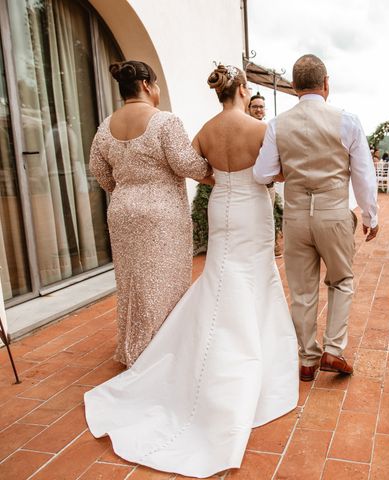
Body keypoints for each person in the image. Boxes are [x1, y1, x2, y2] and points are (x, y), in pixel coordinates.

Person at [84, 64, 298, 477]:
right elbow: (273, 172)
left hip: (207, 210)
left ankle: (149, 346)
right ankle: (250, 352)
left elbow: (195, 165)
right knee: (254, 275)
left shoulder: (200, 129)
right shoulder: (259, 129)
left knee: (216, 277)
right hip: (250, 208)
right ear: (242, 89)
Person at [254, 54, 379, 382]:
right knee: (341, 280)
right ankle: (333, 351)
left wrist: (289, 171)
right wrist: (370, 215)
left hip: (296, 218)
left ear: (294, 87)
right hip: (334, 214)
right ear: (326, 84)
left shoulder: (278, 125)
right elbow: (363, 174)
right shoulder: (346, 120)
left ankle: (307, 359)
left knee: (302, 289)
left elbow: (262, 172)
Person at [89, 60, 213, 367]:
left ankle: (134, 345)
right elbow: (187, 165)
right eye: (156, 85)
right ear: (147, 85)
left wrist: (124, 189)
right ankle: (161, 348)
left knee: (131, 281)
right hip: (162, 211)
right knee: (164, 280)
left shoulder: (105, 126)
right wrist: (213, 172)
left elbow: (98, 170)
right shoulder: (165, 121)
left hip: (122, 209)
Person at [248, 92, 283, 258]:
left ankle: (271, 244)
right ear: (248, 109)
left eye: (261, 107)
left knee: (268, 216)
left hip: (268, 185)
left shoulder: (270, 129)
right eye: (255, 106)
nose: (258, 110)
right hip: (248, 182)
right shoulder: (245, 129)